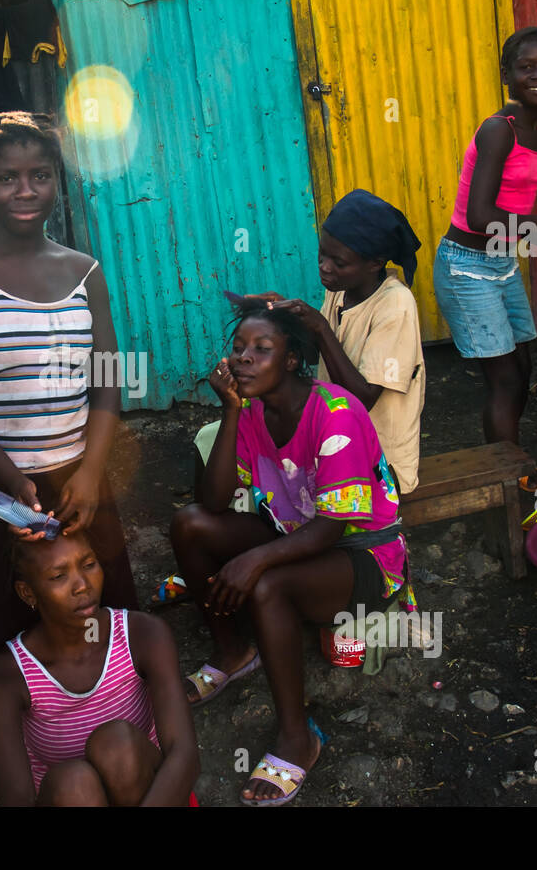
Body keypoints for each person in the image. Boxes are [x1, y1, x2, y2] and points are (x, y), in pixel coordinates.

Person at [0, 111, 138, 806]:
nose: (26, 189)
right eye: (9, 176)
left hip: (80, 479)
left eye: (40, 175)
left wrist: (90, 470)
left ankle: (125, 751)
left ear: (57, 182)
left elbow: (108, 377)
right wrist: (12, 479)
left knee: (105, 617)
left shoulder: (84, 271)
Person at [170, 300, 412, 805]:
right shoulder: (255, 411)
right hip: (298, 537)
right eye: (238, 349)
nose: (244, 359)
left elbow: (333, 526)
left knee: (267, 582)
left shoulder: (334, 411)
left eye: (262, 349)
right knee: (189, 525)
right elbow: (213, 503)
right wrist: (230, 412)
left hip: (363, 556)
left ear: (291, 361)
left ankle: (298, 739)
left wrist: (256, 559)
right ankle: (234, 653)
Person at [202, 189, 425, 495]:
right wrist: (287, 320)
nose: (325, 266)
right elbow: (310, 355)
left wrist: (319, 327)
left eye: (338, 262)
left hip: (375, 461)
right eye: (322, 255)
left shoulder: (395, 305)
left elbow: (361, 400)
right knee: (209, 442)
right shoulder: (341, 289)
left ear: (374, 264)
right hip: (328, 435)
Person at [433, 26, 537, 448]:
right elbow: (481, 216)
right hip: (465, 268)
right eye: (526, 67)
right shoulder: (497, 129)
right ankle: (512, 483)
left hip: (500, 264)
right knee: (504, 382)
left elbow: (511, 219)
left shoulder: (535, 134)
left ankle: (508, 464)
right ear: (507, 75)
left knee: (522, 371)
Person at [0, 532, 198, 805]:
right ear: (28, 592)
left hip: (151, 796)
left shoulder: (143, 635)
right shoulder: (5, 678)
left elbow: (184, 754)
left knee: (116, 744)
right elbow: (17, 799)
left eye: (89, 564)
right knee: (72, 782)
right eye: (59, 576)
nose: (82, 585)